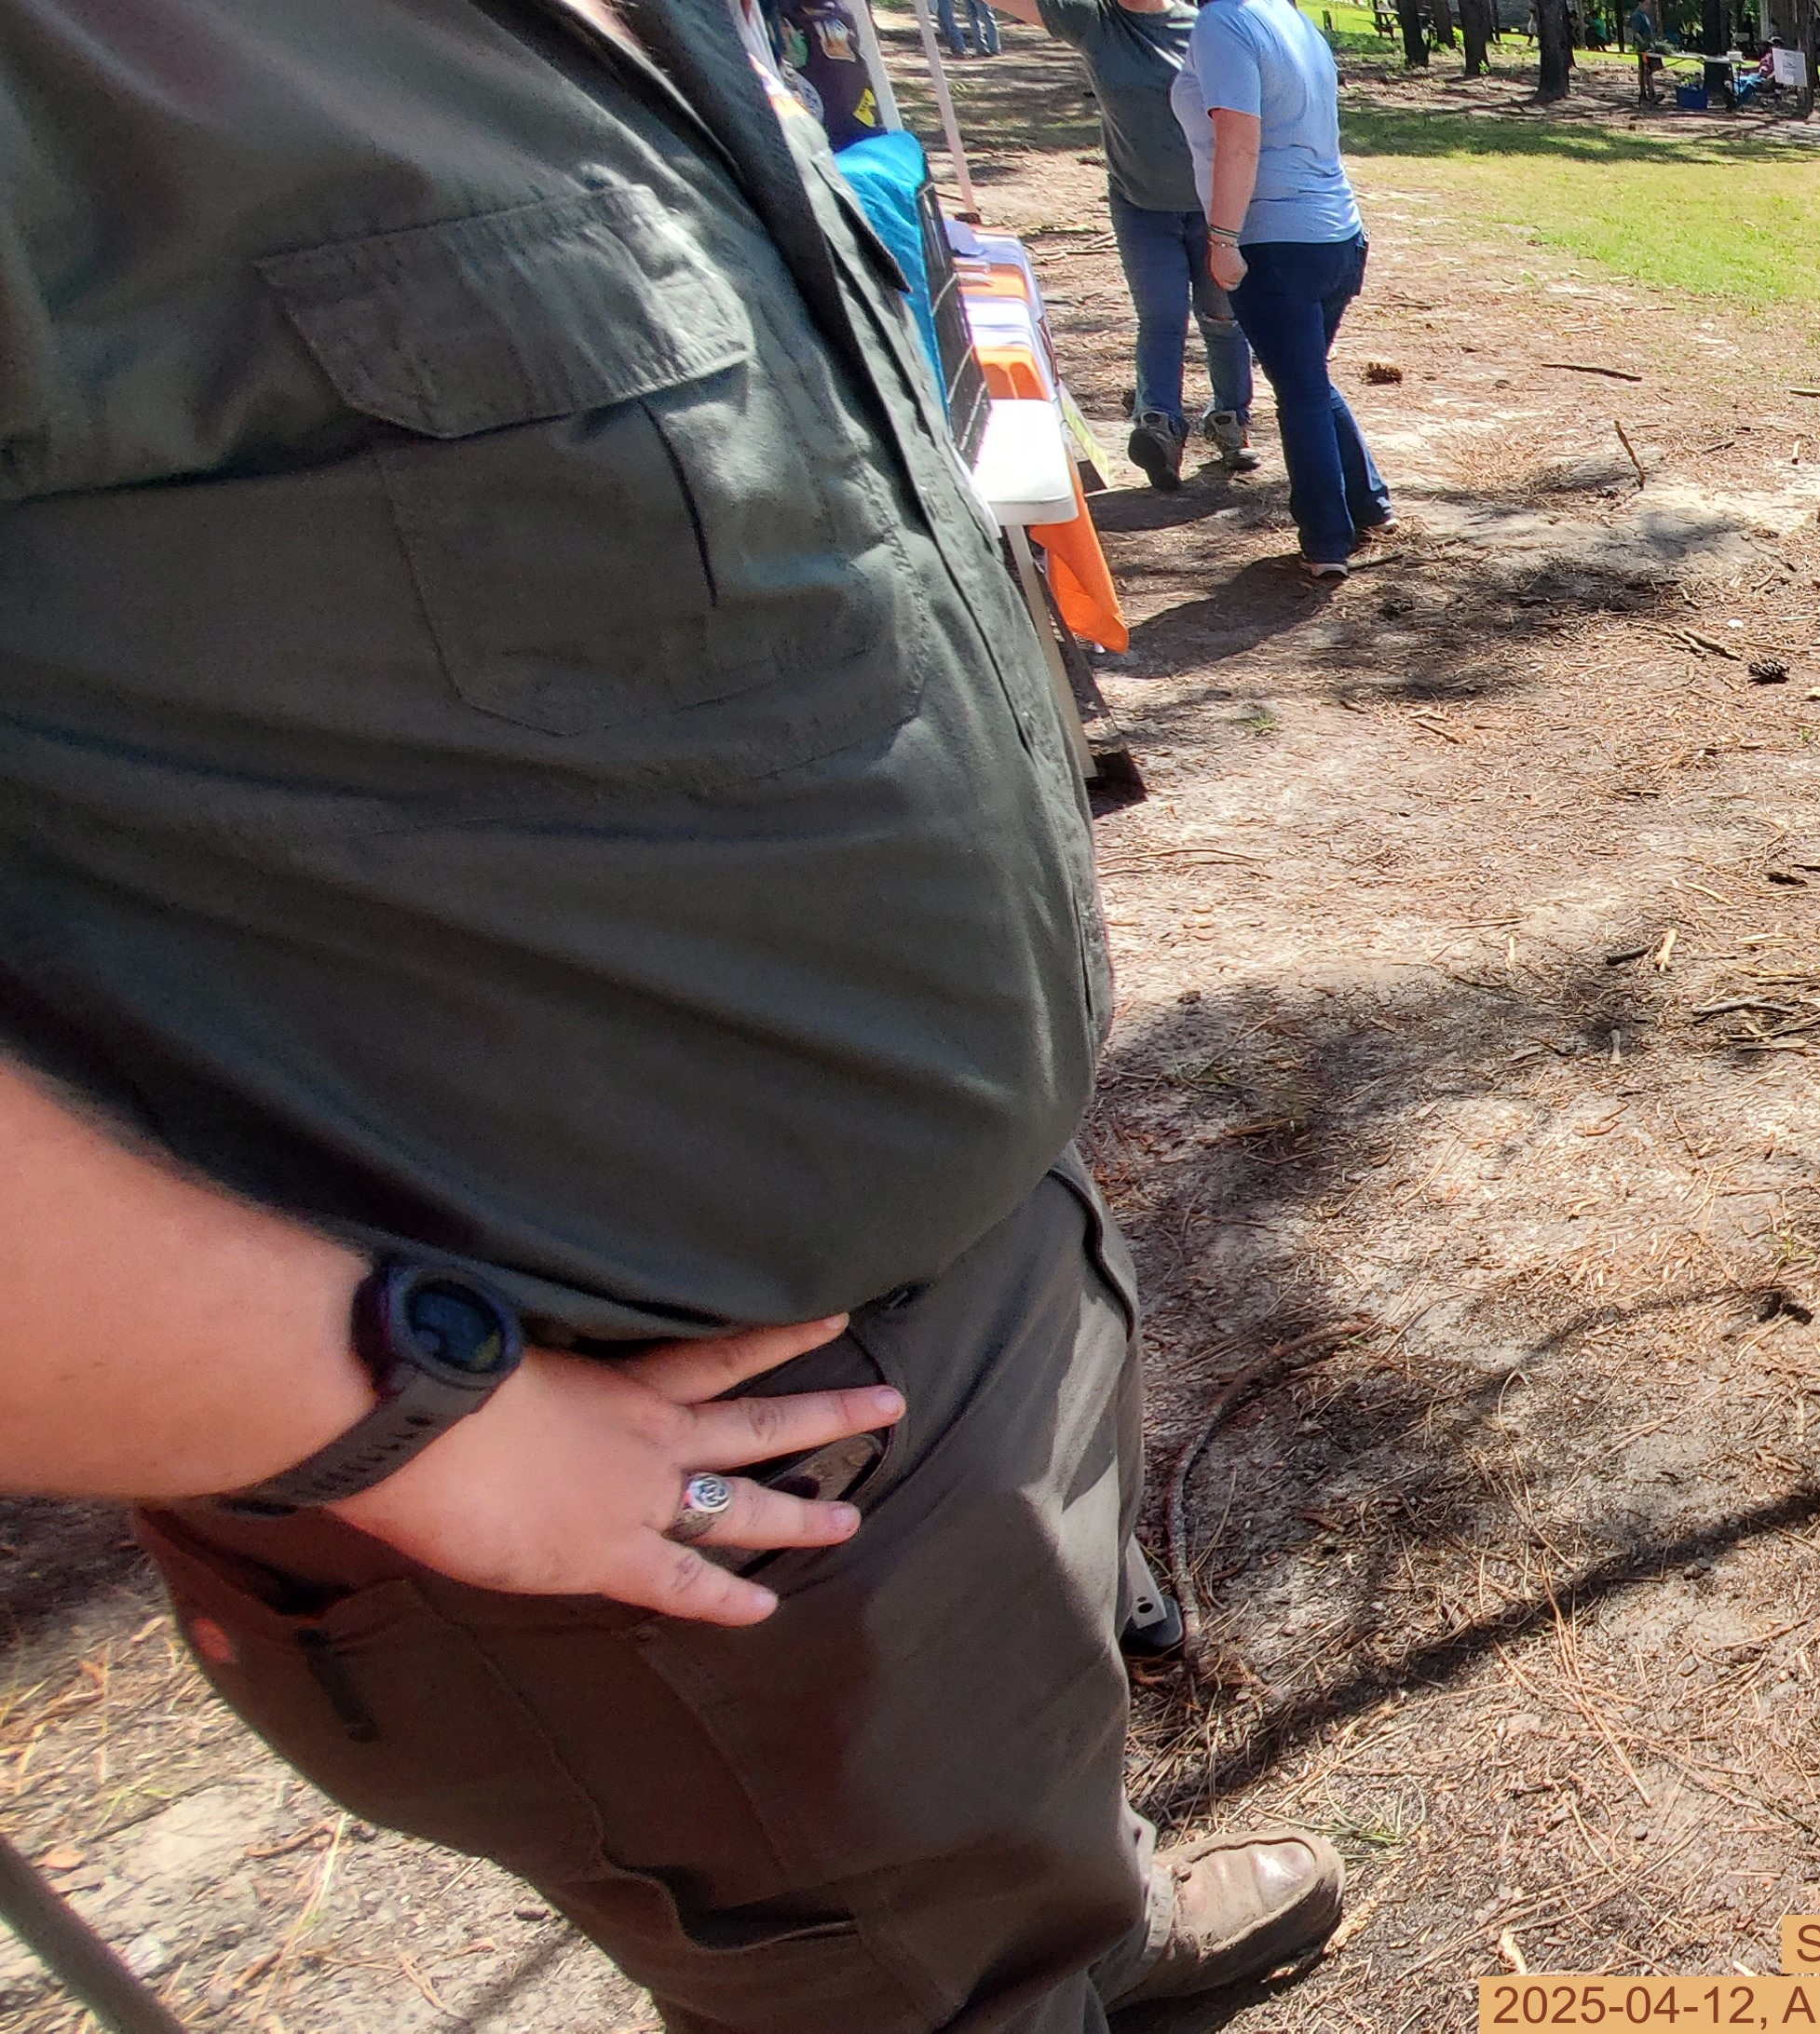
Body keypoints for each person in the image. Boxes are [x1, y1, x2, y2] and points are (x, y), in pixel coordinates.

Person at [0, 6, 1347, 2029]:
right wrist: (383, 1406)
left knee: (995, 1839)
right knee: (891, 1975)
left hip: (947, 1314)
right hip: (647, 1465)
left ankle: (1076, 1928)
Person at [1001, 0, 1258, 489]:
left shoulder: (1205, 26)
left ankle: (1230, 418)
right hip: (1140, 204)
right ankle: (1158, 425)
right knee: (1161, 315)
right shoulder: (1094, 20)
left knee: (1222, 315)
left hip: (1213, 204)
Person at [1181, 0, 1395, 579]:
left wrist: (1223, 238)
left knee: (1298, 391)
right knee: (1307, 377)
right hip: (1336, 235)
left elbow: (1239, 136)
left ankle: (1327, 542)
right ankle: (1369, 502)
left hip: (1276, 238)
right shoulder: (1287, 17)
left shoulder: (1223, 22)